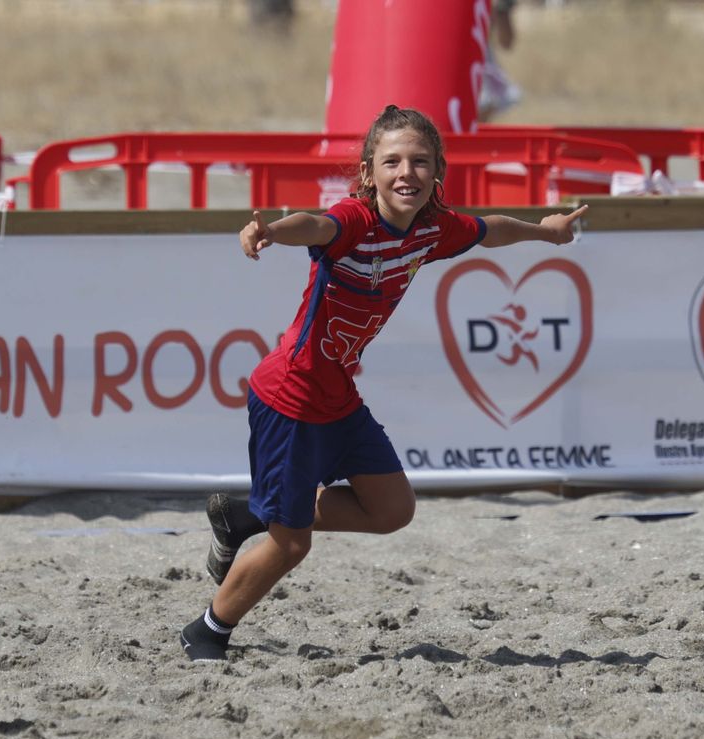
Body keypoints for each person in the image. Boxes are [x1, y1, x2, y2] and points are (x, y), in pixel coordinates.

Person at [180, 105, 586, 662]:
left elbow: (491, 231)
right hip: (290, 397)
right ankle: (207, 630)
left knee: (393, 509)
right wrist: (271, 230)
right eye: (392, 161)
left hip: (338, 397)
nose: (406, 172)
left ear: (436, 173)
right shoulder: (353, 221)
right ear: (369, 173)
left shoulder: (434, 229)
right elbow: (314, 225)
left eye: (419, 162)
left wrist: (545, 232)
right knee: (292, 542)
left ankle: (248, 513)